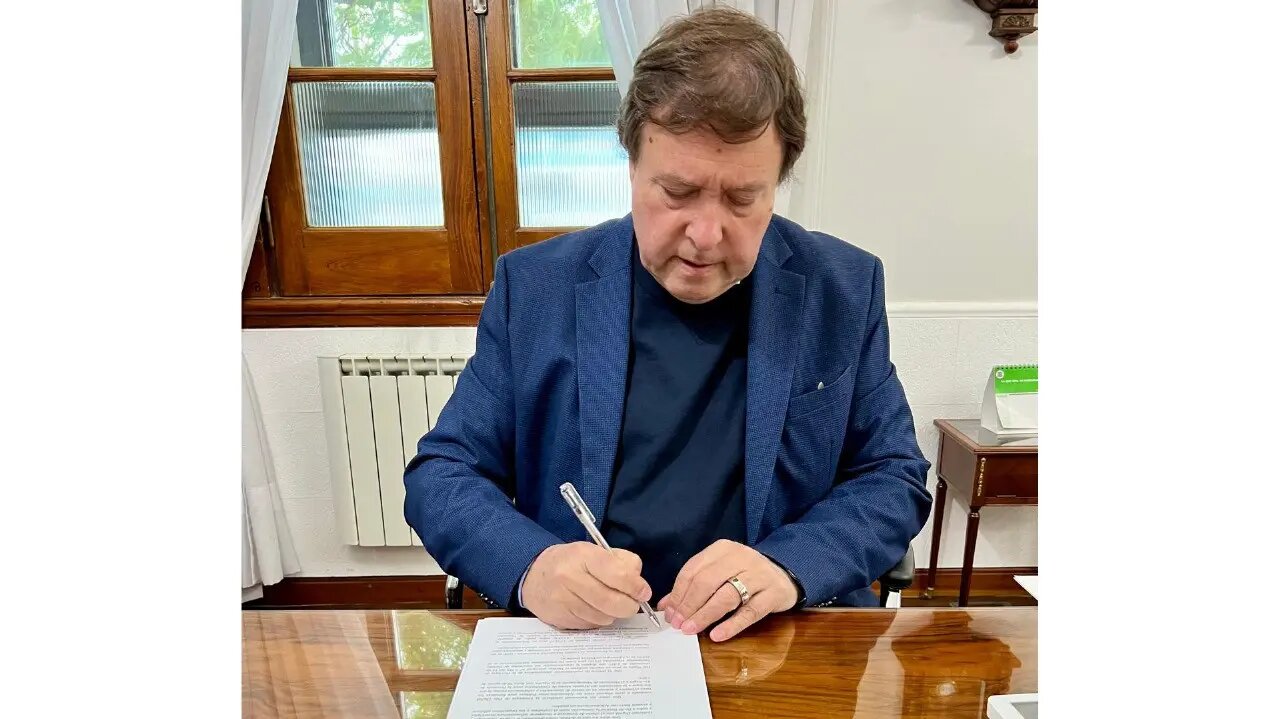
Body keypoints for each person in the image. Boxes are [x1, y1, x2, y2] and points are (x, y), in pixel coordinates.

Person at [405, 7, 930, 643]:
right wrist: (532, 567)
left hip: (770, 636)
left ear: (778, 183)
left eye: (742, 199)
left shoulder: (841, 288)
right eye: (677, 193)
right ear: (632, 166)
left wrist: (788, 567)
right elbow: (442, 473)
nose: (705, 235)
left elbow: (892, 475)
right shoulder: (538, 288)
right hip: (592, 638)